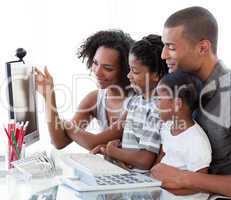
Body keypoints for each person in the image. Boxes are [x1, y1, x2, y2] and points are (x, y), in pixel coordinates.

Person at [151, 6, 231, 197]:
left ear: (203, 47)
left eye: (170, 46)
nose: (163, 55)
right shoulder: (180, 86)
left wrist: (184, 177)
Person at [35, 30, 134, 150]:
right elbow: (59, 142)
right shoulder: (94, 99)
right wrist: (48, 96)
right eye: (95, 63)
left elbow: (92, 143)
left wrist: (66, 124)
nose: (97, 72)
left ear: (125, 70)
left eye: (108, 68)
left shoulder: (137, 102)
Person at [91, 35, 168, 171]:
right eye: (129, 69)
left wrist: (112, 151)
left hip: (139, 179)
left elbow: (144, 161)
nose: (128, 76)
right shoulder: (136, 101)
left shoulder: (157, 109)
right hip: (126, 171)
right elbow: (133, 145)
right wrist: (107, 150)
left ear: (156, 74)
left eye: (135, 71)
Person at [156, 71, 211, 199]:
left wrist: (167, 186)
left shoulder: (196, 141)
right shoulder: (167, 127)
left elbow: (201, 184)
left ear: (177, 104)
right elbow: (164, 157)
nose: (156, 104)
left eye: (159, 99)